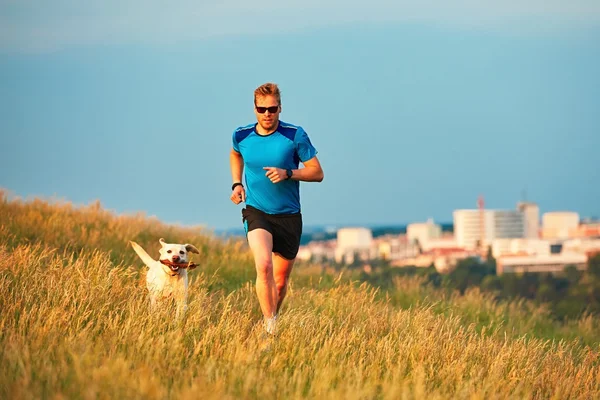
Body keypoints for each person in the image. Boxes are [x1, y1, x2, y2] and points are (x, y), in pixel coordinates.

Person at [229, 82, 324, 335]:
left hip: (289, 216)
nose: (267, 114)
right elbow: (236, 154)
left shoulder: (295, 135)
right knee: (264, 266)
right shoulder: (241, 135)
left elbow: (318, 173)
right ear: (255, 109)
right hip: (257, 211)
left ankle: (270, 319)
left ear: (280, 108)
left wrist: (288, 173)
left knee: (280, 283)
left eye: (272, 109)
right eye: (262, 109)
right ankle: (270, 332)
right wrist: (237, 183)